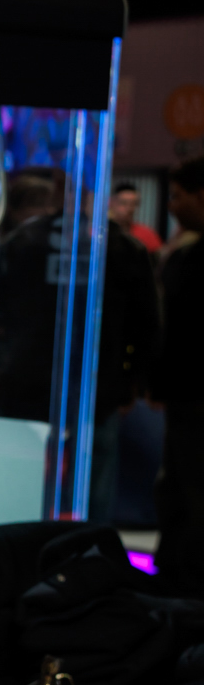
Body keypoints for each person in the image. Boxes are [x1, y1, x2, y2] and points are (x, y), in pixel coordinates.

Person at [157, 158, 204, 589]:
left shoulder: (190, 258)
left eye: (178, 196)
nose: (172, 206)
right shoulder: (185, 253)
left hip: (191, 394)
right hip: (184, 394)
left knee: (189, 492)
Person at [112, 181, 163, 254]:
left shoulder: (147, 234)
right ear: (112, 203)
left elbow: (159, 256)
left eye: (134, 204)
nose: (129, 208)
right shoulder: (102, 232)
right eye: (124, 203)